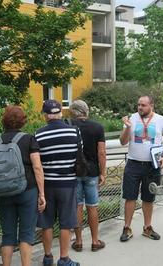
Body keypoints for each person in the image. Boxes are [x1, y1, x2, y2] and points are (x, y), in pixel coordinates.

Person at [0, 106, 46, 266]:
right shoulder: (28, 139)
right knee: (26, 234)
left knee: (8, 235)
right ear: (22, 121)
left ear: (4, 121)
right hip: (27, 191)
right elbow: (37, 167)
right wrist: (42, 194)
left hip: (3, 192)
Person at [119, 95, 163, 242]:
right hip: (133, 164)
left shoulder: (161, 120)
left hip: (152, 165)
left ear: (151, 105)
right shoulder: (131, 118)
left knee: (148, 197)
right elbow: (123, 142)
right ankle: (127, 227)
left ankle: (147, 227)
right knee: (129, 197)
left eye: (143, 105)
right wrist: (127, 128)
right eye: (138, 105)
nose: (140, 108)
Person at [36, 100, 80, 266]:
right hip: (67, 183)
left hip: (46, 185)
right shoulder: (74, 132)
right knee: (65, 223)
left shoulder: (38, 134)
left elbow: (36, 161)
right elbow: (78, 157)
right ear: (60, 113)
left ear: (46, 115)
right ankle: (64, 259)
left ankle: (47, 257)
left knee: (46, 223)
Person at [69, 100, 106, 252]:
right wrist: (103, 172)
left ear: (72, 112)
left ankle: (78, 242)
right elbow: (101, 152)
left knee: (77, 205)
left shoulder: (68, 126)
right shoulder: (97, 127)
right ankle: (95, 241)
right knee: (92, 206)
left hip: (74, 172)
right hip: (92, 172)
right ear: (86, 111)